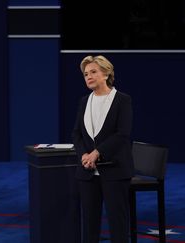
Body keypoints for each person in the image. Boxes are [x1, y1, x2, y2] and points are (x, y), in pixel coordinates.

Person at [72, 55, 133, 243]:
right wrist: (84, 155)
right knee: (89, 224)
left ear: (106, 74)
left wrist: (96, 153)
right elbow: (77, 134)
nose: (88, 76)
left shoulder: (122, 100)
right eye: (85, 74)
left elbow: (123, 134)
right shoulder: (84, 101)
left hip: (115, 170)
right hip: (87, 172)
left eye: (93, 72)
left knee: (118, 223)